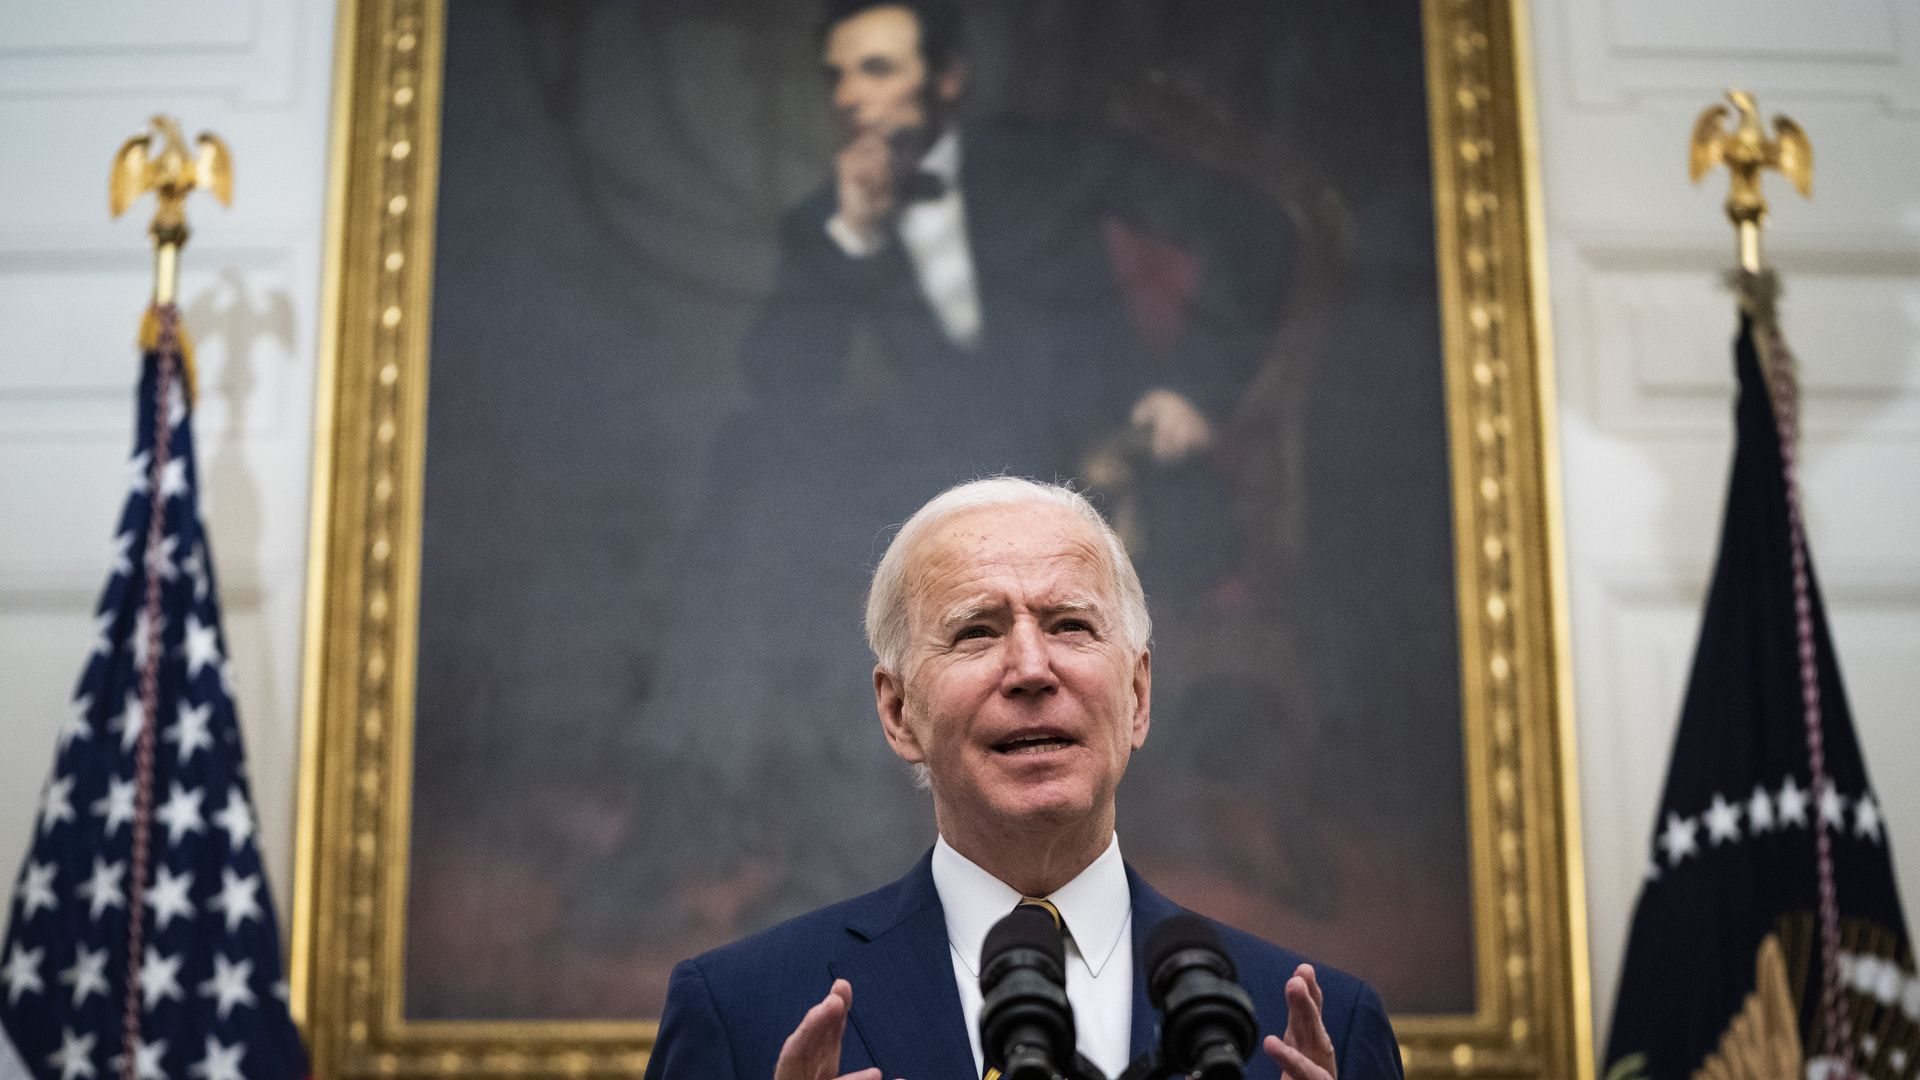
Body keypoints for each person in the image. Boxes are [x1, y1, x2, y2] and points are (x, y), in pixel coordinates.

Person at [642, 477, 1403, 1079]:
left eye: (1071, 624)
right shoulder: (742, 1012)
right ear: (900, 711)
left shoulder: (1316, 1030)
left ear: (1137, 697)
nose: (1032, 669)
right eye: (977, 631)